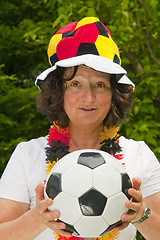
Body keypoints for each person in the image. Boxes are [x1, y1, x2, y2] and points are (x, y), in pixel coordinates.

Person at [0, 16, 160, 240]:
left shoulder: (139, 155)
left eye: (100, 85)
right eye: (76, 84)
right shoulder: (28, 155)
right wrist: (36, 218)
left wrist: (141, 214)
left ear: (114, 95)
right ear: (58, 91)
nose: (89, 97)